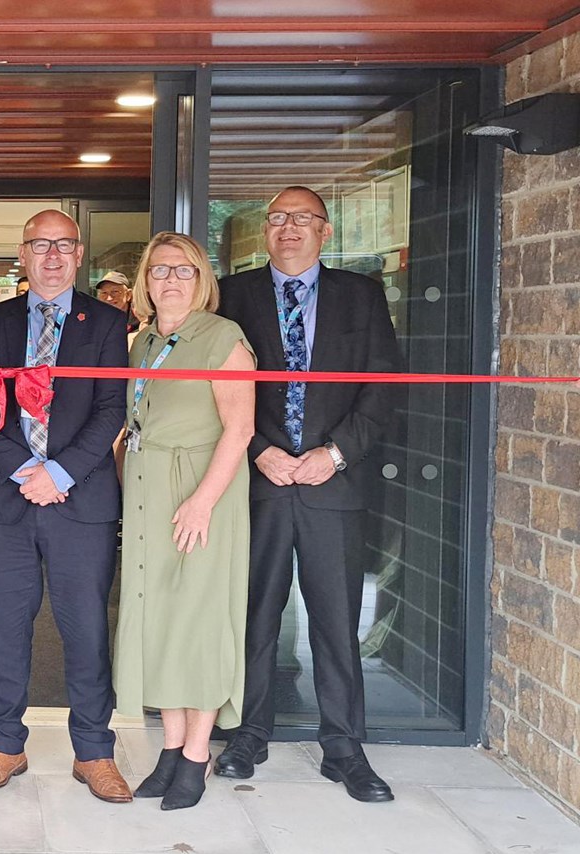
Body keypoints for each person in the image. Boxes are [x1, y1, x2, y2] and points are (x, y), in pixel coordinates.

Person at [215, 186, 402, 803]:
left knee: (335, 621)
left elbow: (382, 388)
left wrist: (335, 453)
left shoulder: (361, 295)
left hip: (335, 484)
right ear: (263, 232)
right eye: (276, 218)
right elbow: (213, 392)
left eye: (302, 219)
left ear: (325, 232)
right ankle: (248, 732)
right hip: (259, 481)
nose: (288, 228)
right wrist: (258, 449)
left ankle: (344, 748)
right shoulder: (232, 295)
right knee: (254, 616)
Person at [0, 210, 132, 803]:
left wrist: (59, 472)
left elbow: (113, 407)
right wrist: (23, 467)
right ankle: (4, 744)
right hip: (9, 500)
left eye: (63, 245)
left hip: (79, 501)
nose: (52, 256)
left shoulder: (108, 323)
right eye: (40, 245)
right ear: (23, 253)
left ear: (79, 254)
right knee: (5, 628)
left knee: (85, 630)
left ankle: (94, 752)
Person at [112, 232, 255, 810]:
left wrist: (201, 502)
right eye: (160, 270)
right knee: (160, 618)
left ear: (203, 280)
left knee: (196, 620)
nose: (170, 280)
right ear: (145, 280)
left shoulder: (222, 339)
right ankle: (170, 748)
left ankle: (197, 754)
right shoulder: (142, 342)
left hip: (201, 491)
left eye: (184, 271)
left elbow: (240, 430)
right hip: (148, 492)